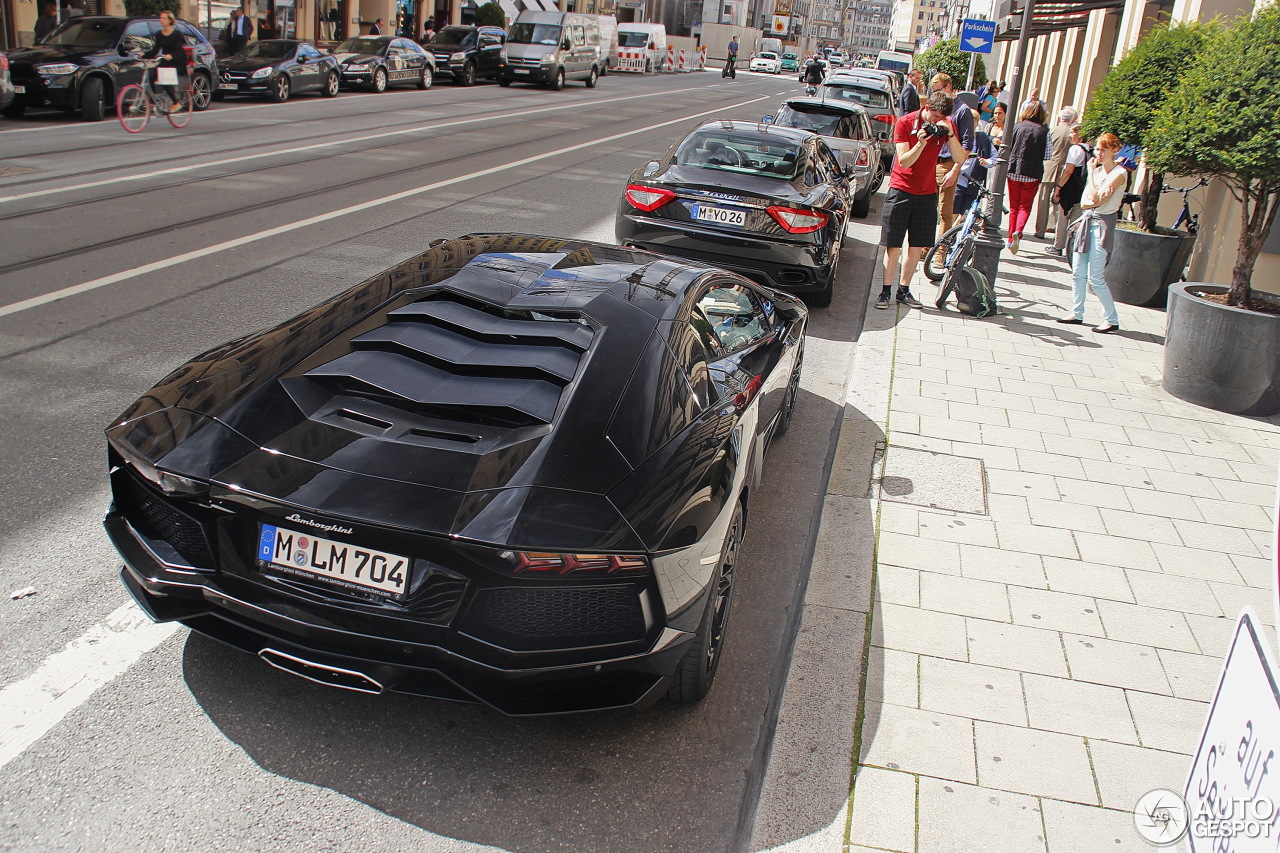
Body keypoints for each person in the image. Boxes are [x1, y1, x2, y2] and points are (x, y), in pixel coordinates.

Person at [876, 91, 968, 311]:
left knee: (916, 246)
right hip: (900, 190)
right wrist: (921, 143)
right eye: (934, 116)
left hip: (926, 193)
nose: (936, 121)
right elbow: (905, 162)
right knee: (893, 245)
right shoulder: (905, 123)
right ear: (926, 109)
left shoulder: (945, 126)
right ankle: (885, 291)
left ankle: (903, 290)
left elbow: (959, 158)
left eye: (941, 118)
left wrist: (951, 135)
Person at [1059, 131, 1126, 333]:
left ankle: (1111, 318)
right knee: (1077, 272)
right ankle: (1076, 312)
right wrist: (1092, 186)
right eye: (1097, 149)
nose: (1099, 153)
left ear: (1115, 150)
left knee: (1095, 277)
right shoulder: (1097, 172)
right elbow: (1087, 201)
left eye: (1104, 150)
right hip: (1088, 221)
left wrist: (1093, 185)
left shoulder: (1119, 173)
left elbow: (1098, 199)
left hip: (1102, 224)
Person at [928, 73, 975, 236]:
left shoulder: (962, 111)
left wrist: (955, 170)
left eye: (938, 90)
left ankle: (940, 252)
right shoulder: (938, 108)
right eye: (933, 92)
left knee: (945, 211)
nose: (935, 95)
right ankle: (925, 248)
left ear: (948, 87)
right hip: (932, 162)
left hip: (948, 163)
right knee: (927, 209)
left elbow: (968, 143)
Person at [1004, 101, 1049, 254]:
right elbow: (1048, 154)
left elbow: (1007, 145)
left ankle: (1010, 239)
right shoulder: (1043, 131)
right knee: (1025, 206)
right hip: (1032, 172)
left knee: (1014, 206)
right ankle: (1018, 231)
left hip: (1014, 169)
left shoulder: (1016, 126)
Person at [1035, 105, 1078, 238]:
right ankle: (1057, 231)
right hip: (1065, 170)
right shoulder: (1074, 133)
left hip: (1049, 168)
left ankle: (1040, 230)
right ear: (1073, 119)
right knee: (1059, 202)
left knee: (1043, 201)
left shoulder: (1052, 130)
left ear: (1060, 118)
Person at [1048, 125, 1089, 256]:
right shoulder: (1089, 149)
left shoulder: (1075, 149)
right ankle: (1071, 248)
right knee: (1076, 219)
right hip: (1081, 189)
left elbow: (1068, 171)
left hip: (1070, 188)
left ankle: (1058, 246)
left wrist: (1058, 187)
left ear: (1080, 135)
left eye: (1072, 132)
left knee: (1063, 217)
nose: (1070, 135)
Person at [143, 10, 188, 113]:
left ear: (170, 20)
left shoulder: (176, 34)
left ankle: (176, 103)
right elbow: (155, 50)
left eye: (164, 18)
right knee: (151, 75)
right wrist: (144, 55)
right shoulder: (159, 34)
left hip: (176, 62)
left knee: (164, 80)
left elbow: (179, 51)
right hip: (165, 62)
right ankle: (153, 103)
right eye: (161, 18)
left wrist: (171, 56)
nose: (161, 20)